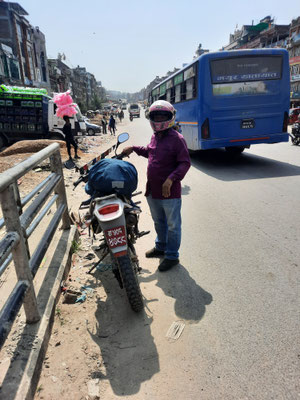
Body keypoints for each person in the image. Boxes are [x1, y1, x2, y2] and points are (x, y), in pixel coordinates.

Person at [122, 100, 191, 272]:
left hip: (169, 192)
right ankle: (161, 247)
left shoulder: (177, 139)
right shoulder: (155, 136)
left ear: (170, 118)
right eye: (156, 116)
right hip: (153, 190)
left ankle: (172, 256)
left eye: (163, 116)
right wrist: (134, 148)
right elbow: (150, 152)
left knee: (173, 225)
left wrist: (171, 179)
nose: (159, 120)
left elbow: (184, 163)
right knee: (159, 222)